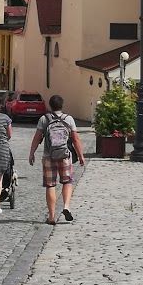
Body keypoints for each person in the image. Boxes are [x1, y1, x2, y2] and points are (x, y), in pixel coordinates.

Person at [29, 93, 85, 224]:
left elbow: (37, 138)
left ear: (50, 105)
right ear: (62, 105)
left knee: (50, 185)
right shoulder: (69, 119)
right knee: (67, 182)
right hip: (65, 155)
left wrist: (32, 153)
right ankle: (66, 206)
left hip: (49, 156)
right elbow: (75, 139)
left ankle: (52, 216)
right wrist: (81, 156)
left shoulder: (44, 119)